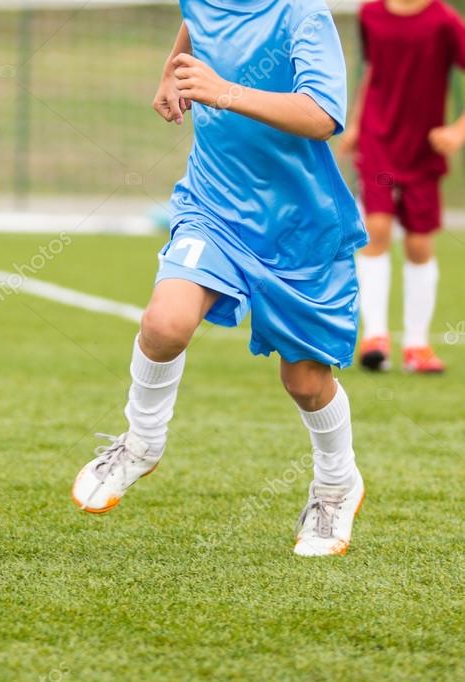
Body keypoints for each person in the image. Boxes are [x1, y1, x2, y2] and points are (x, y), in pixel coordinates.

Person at [72, 0, 368, 557]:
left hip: (300, 228)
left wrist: (223, 90)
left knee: (305, 382)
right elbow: (196, 22)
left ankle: (336, 485)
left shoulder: (304, 15)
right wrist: (173, 66)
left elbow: (324, 114)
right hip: (214, 207)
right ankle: (141, 442)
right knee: (165, 322)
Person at [342, 0, 465, 373]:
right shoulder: (370, 14)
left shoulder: (444, 21)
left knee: (418, 242)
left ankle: (417, 345)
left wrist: (457, 131)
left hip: (423, 146)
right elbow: (373, 71)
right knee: (376, 228)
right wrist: (358, 125)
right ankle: (375, 336)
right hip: (378, 140)